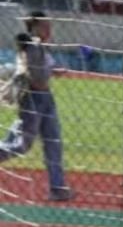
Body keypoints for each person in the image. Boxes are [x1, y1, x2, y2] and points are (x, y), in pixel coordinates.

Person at [0, 11, 71, 201]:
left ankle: (57, 188)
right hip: (33, 99)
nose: (49, 30)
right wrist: (49, 69)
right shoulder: (32, 46)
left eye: (49, 26)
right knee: (22, 145)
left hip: (46, 98)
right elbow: (35, 75)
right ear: (34, 27)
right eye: (45, 26)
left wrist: (54, 70)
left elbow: (42, 70)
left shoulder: (41, 47)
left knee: (53, 143)